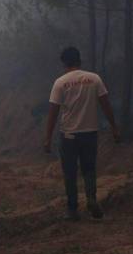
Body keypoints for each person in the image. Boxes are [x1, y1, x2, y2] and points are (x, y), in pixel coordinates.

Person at [44, 46, 120, 221]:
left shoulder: (60, 82)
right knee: (89, 169)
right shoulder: (94, 79)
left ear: (64, 62)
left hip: (69, 135)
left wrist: (47, 138)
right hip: (90, 132)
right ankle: (91, 199)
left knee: (70, 173)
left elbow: (53, 112)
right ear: (79, 60)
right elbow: (106, 105)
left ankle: (72, 209)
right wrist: (114, 128)